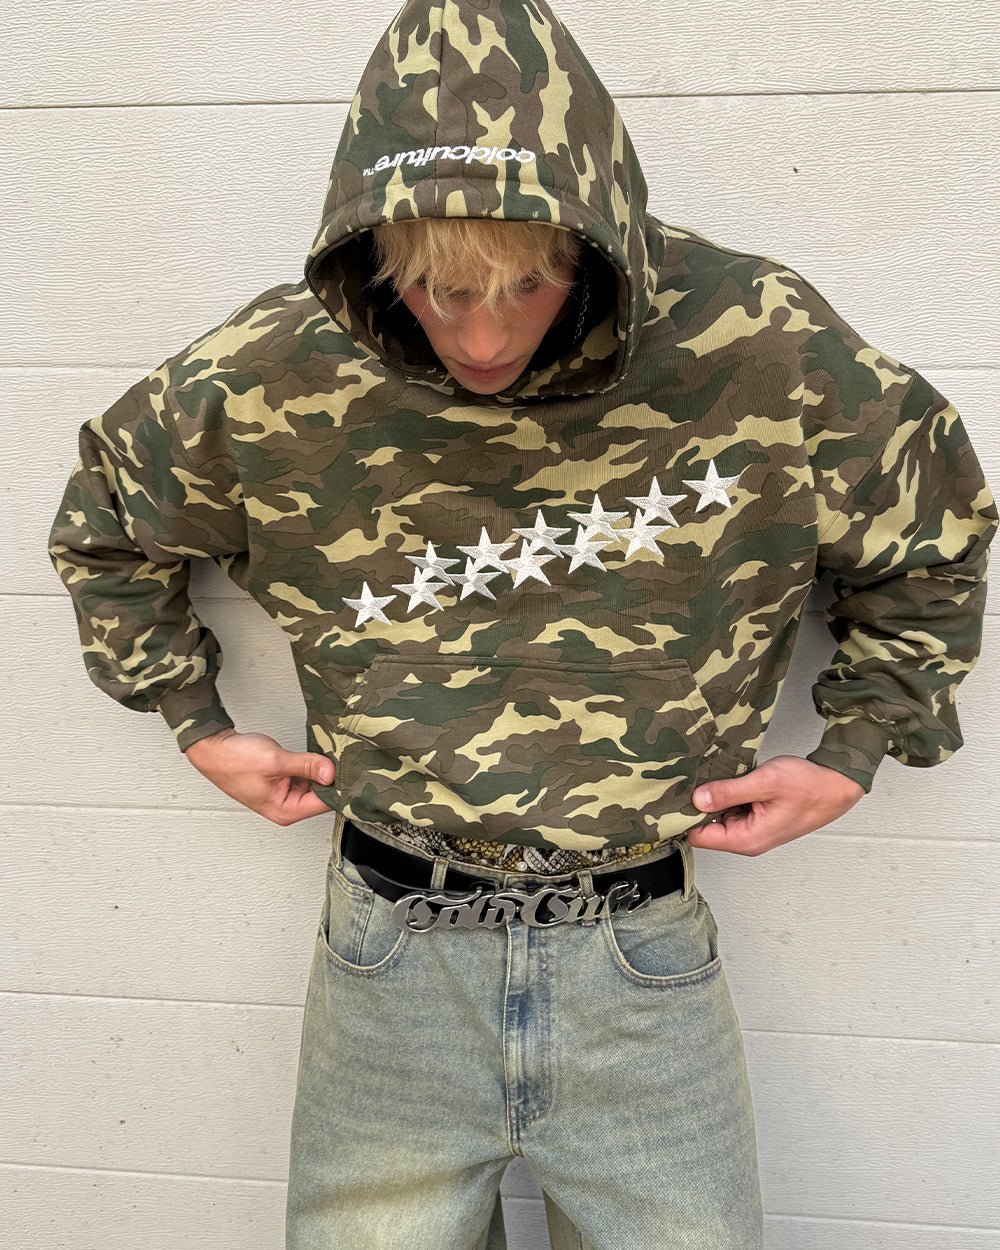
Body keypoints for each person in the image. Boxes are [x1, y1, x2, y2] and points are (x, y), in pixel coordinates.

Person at [46, 0, 997, 1247]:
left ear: (590, 238)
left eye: (529, 282)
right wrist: (193, 717)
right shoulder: (279, 368)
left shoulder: (762, 341)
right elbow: (109, 524)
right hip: (390, 948)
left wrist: (858, 747)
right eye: (437, 291)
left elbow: (933, 539)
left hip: (639, 951)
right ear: (373, 253)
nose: (484, 337)